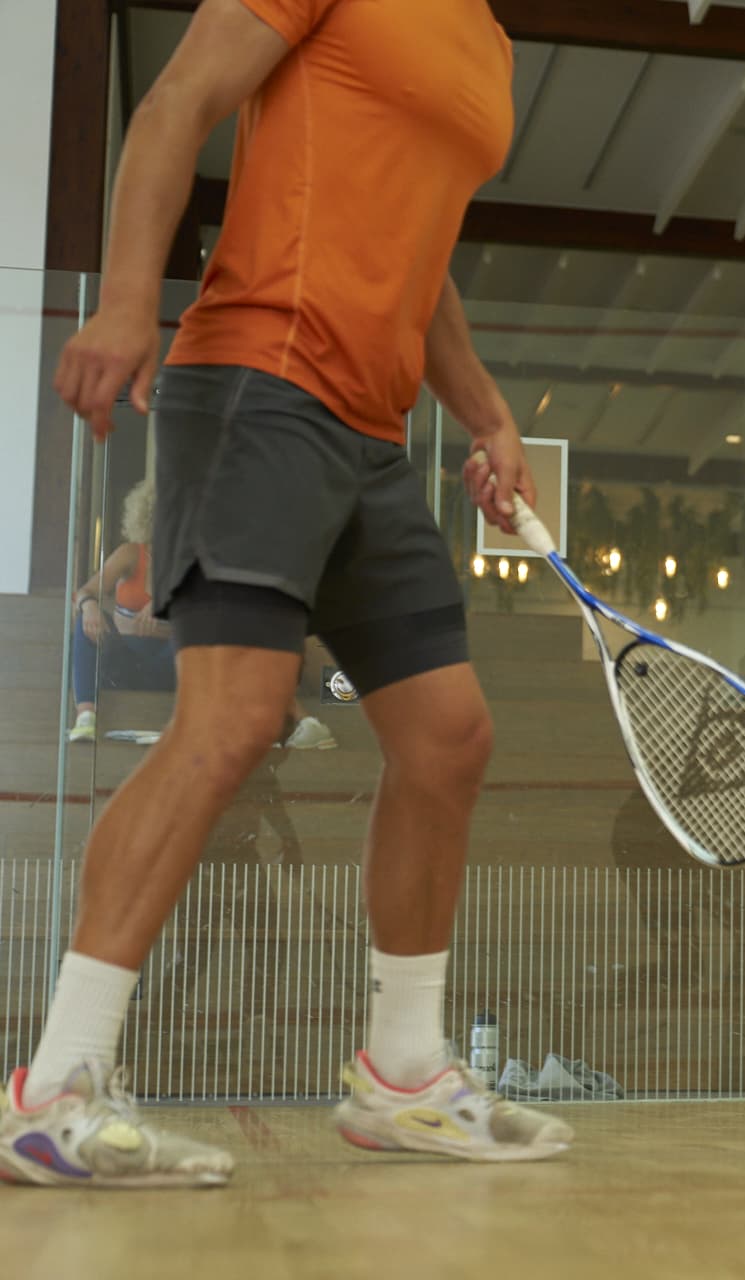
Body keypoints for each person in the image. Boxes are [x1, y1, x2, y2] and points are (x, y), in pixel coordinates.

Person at [0, 0, 568, 1189]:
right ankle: (54, 1087)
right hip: (256, 381)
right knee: (232, 720)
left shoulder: (490, 46)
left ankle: (405, 1074)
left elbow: (420, 256)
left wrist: (489, 415)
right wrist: (123, 304)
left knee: (449, 735)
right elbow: (174, 106)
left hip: (369, 429)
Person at [69, 477, 335, 750]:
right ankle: (86, 716)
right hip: (126, 660)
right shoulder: (130, 554)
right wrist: (89, 606)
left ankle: (318, 711)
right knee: (83, 622)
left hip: (175, 664)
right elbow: (84, 591)